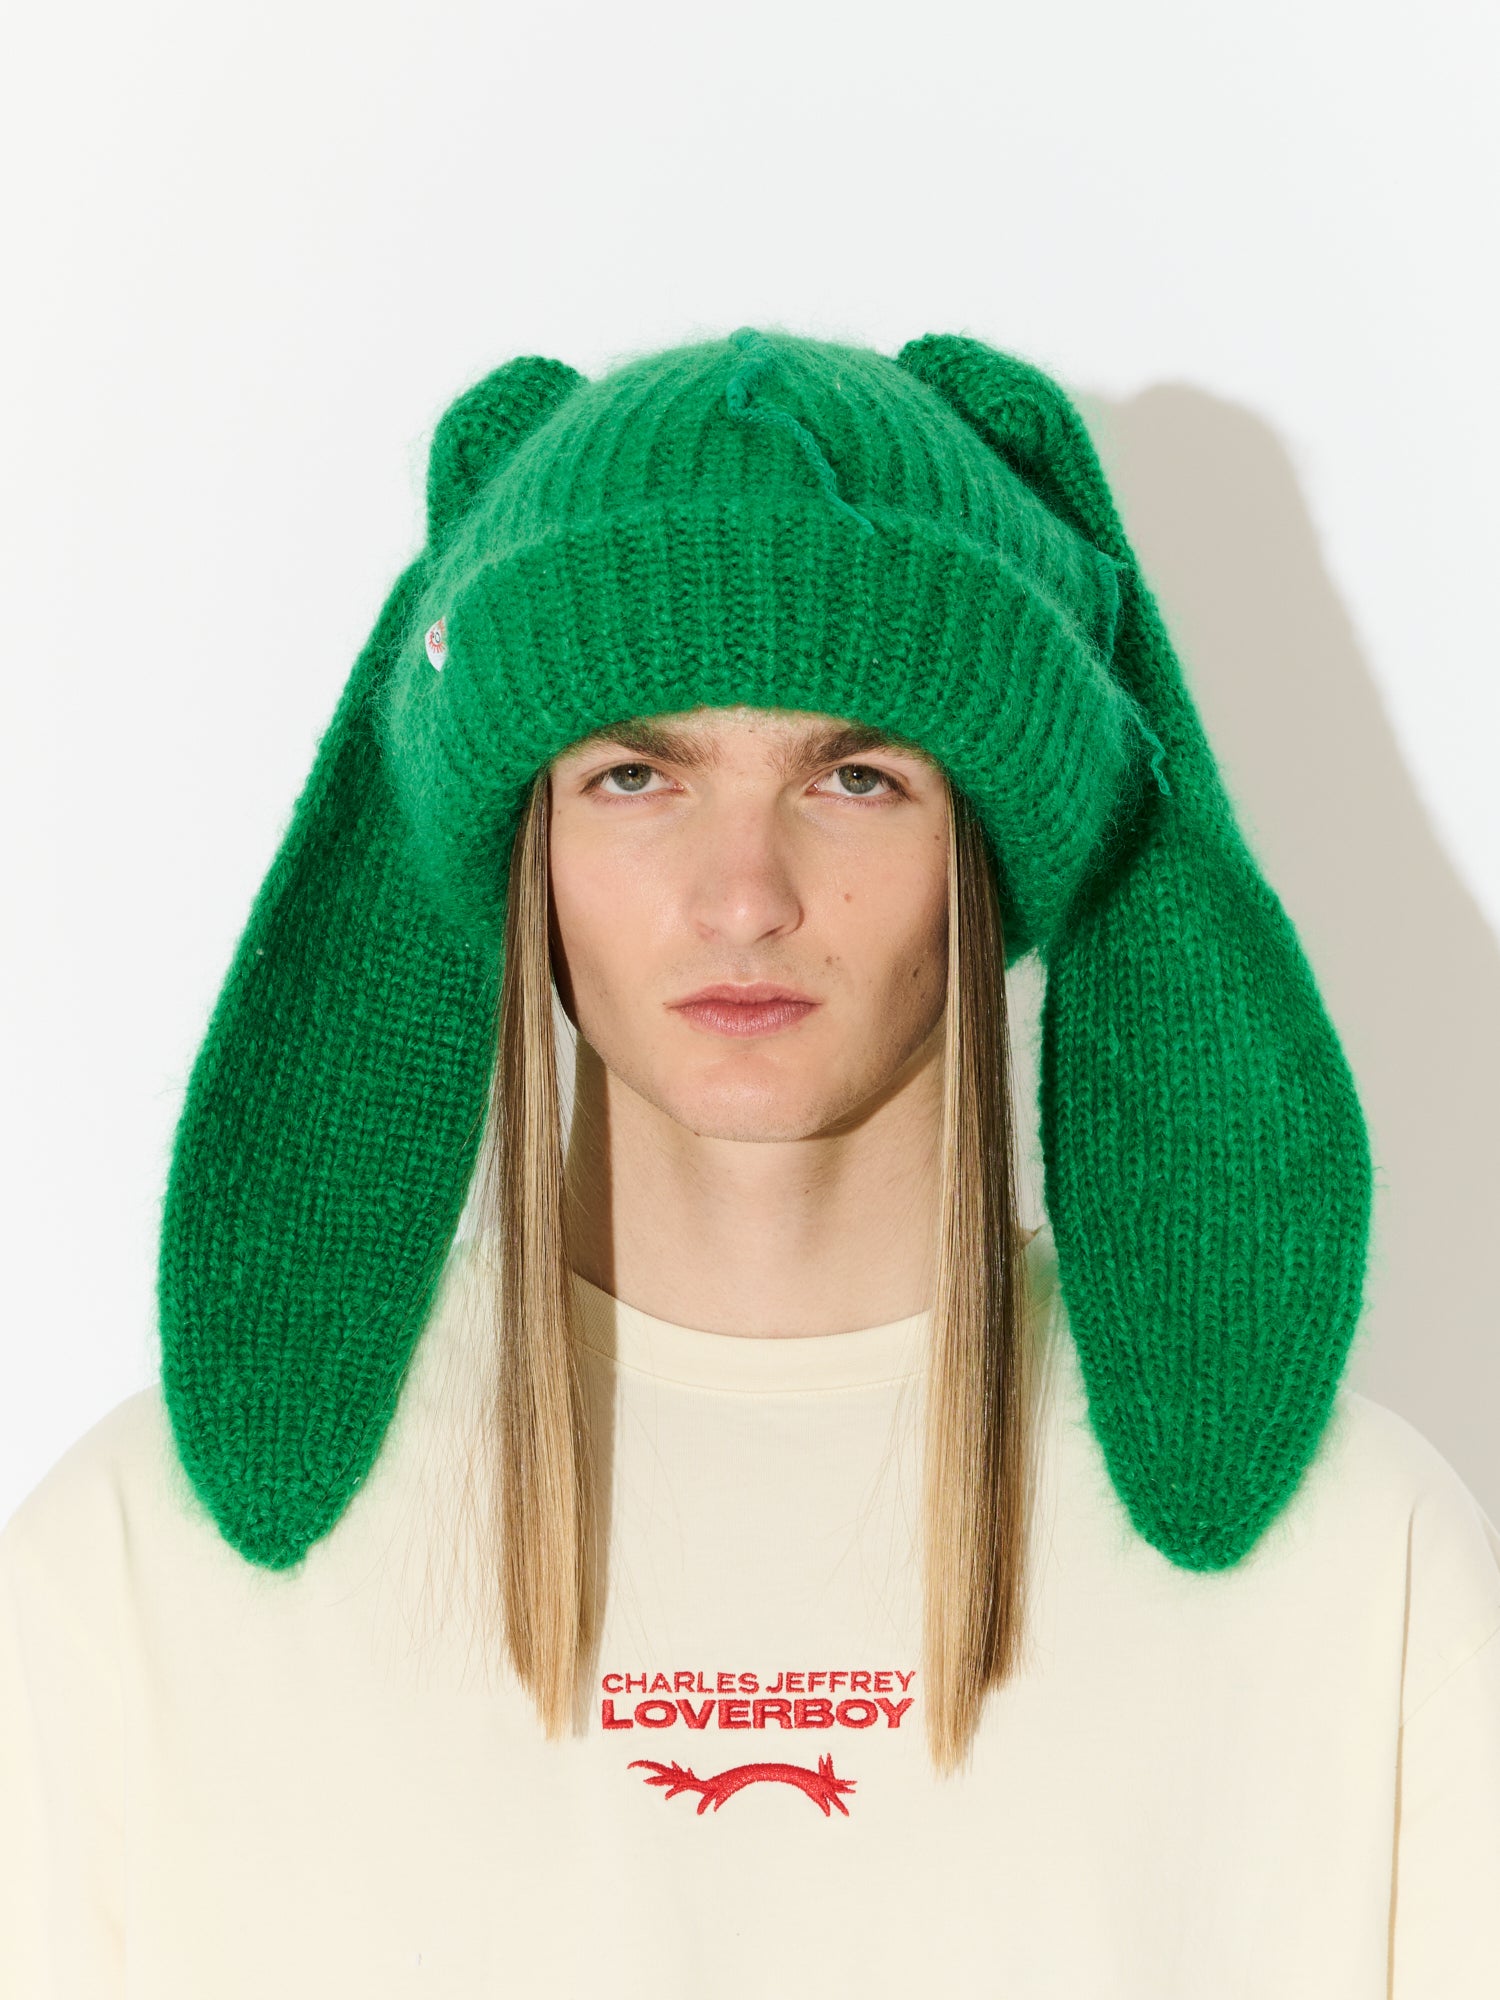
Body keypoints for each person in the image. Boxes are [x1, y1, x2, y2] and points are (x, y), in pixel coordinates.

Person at [2, 323, 1497, 1995]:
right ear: (524, 845)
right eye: (635, 773)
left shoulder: (1360, 1576)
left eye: (855, 775)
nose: (743, 895)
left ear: (986, 846)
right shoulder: (136, 1581)